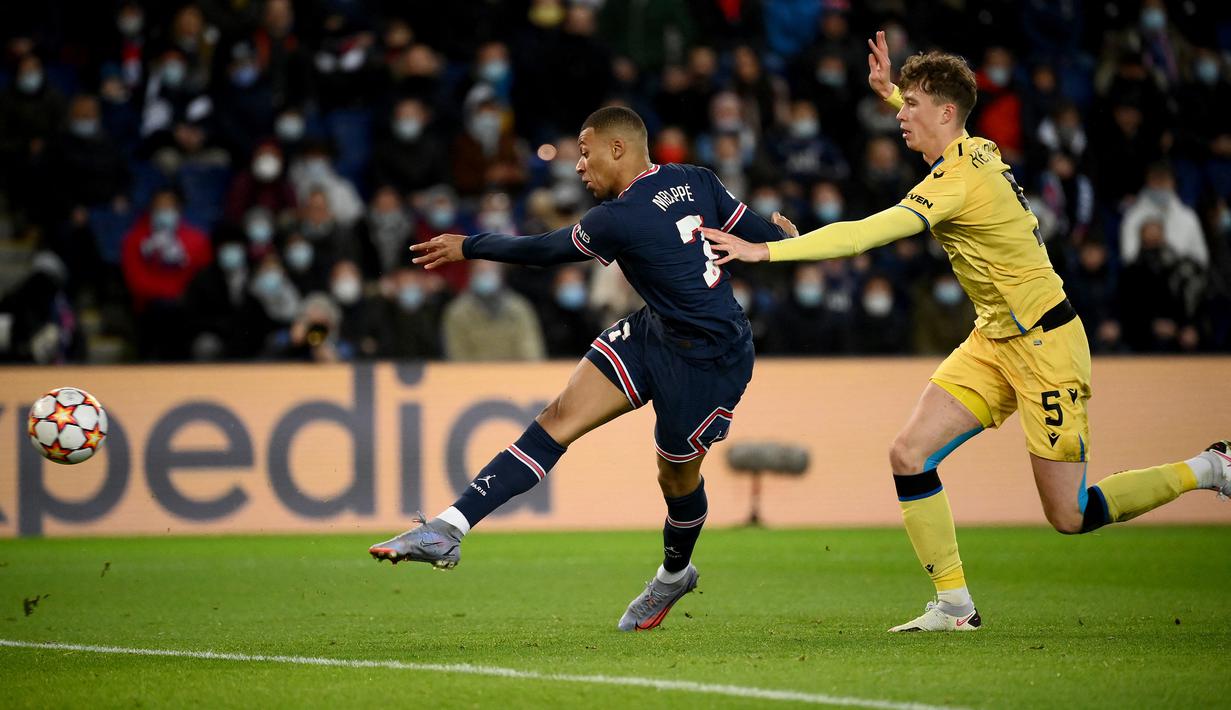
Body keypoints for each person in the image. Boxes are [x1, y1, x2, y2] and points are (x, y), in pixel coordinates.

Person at [701, 32, 1231, 633]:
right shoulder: (973, 149)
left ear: (946, 113)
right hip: (992, 340)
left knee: (1071, 514)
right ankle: (954, 606)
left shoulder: (958, 181)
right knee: (908, 454)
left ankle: (1209, 468)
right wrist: (893, 90)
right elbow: (935, 125)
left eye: (911, 108)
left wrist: (766, 251)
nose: (900, 118)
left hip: (1046, 346)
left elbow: (866, 234)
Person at [368, 106, 785, 631]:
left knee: (675, 475)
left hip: (711, 361)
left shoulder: (618, 217)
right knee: (558, 417)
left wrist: (469, 245)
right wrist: (787, 239)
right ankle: (448, 528)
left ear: (618, 148)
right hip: (655, 333)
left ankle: (675, 573)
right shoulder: (696, 180)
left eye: (585, 153)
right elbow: (759, 235)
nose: (579, 167)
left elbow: (544, 251)